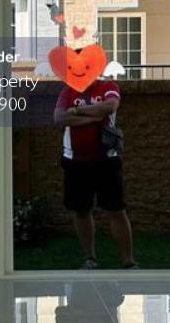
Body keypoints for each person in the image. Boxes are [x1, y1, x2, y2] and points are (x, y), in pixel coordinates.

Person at [53, 64, 137, 270]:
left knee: (117, 210)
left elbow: (110, 106)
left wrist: (77, 110)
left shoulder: (108, 86)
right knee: (81, 211)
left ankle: (128, 261)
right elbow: (59, 118)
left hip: (107, 160)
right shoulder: (67, 92)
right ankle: (90, 258)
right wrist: (94, 117)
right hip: (75, 162)